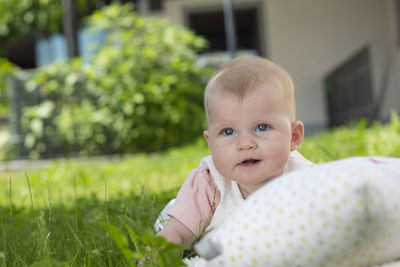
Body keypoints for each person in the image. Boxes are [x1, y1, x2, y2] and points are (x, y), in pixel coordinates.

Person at [157, 56, 313, 246]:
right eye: (228, 131)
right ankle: (175, 207)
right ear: (211, 142)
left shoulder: (306, 180)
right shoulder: (209, 185)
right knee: (174, 220)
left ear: (294, 136)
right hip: (197, 217)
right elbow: (177, 235)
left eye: (262, 127)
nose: (245, 144)